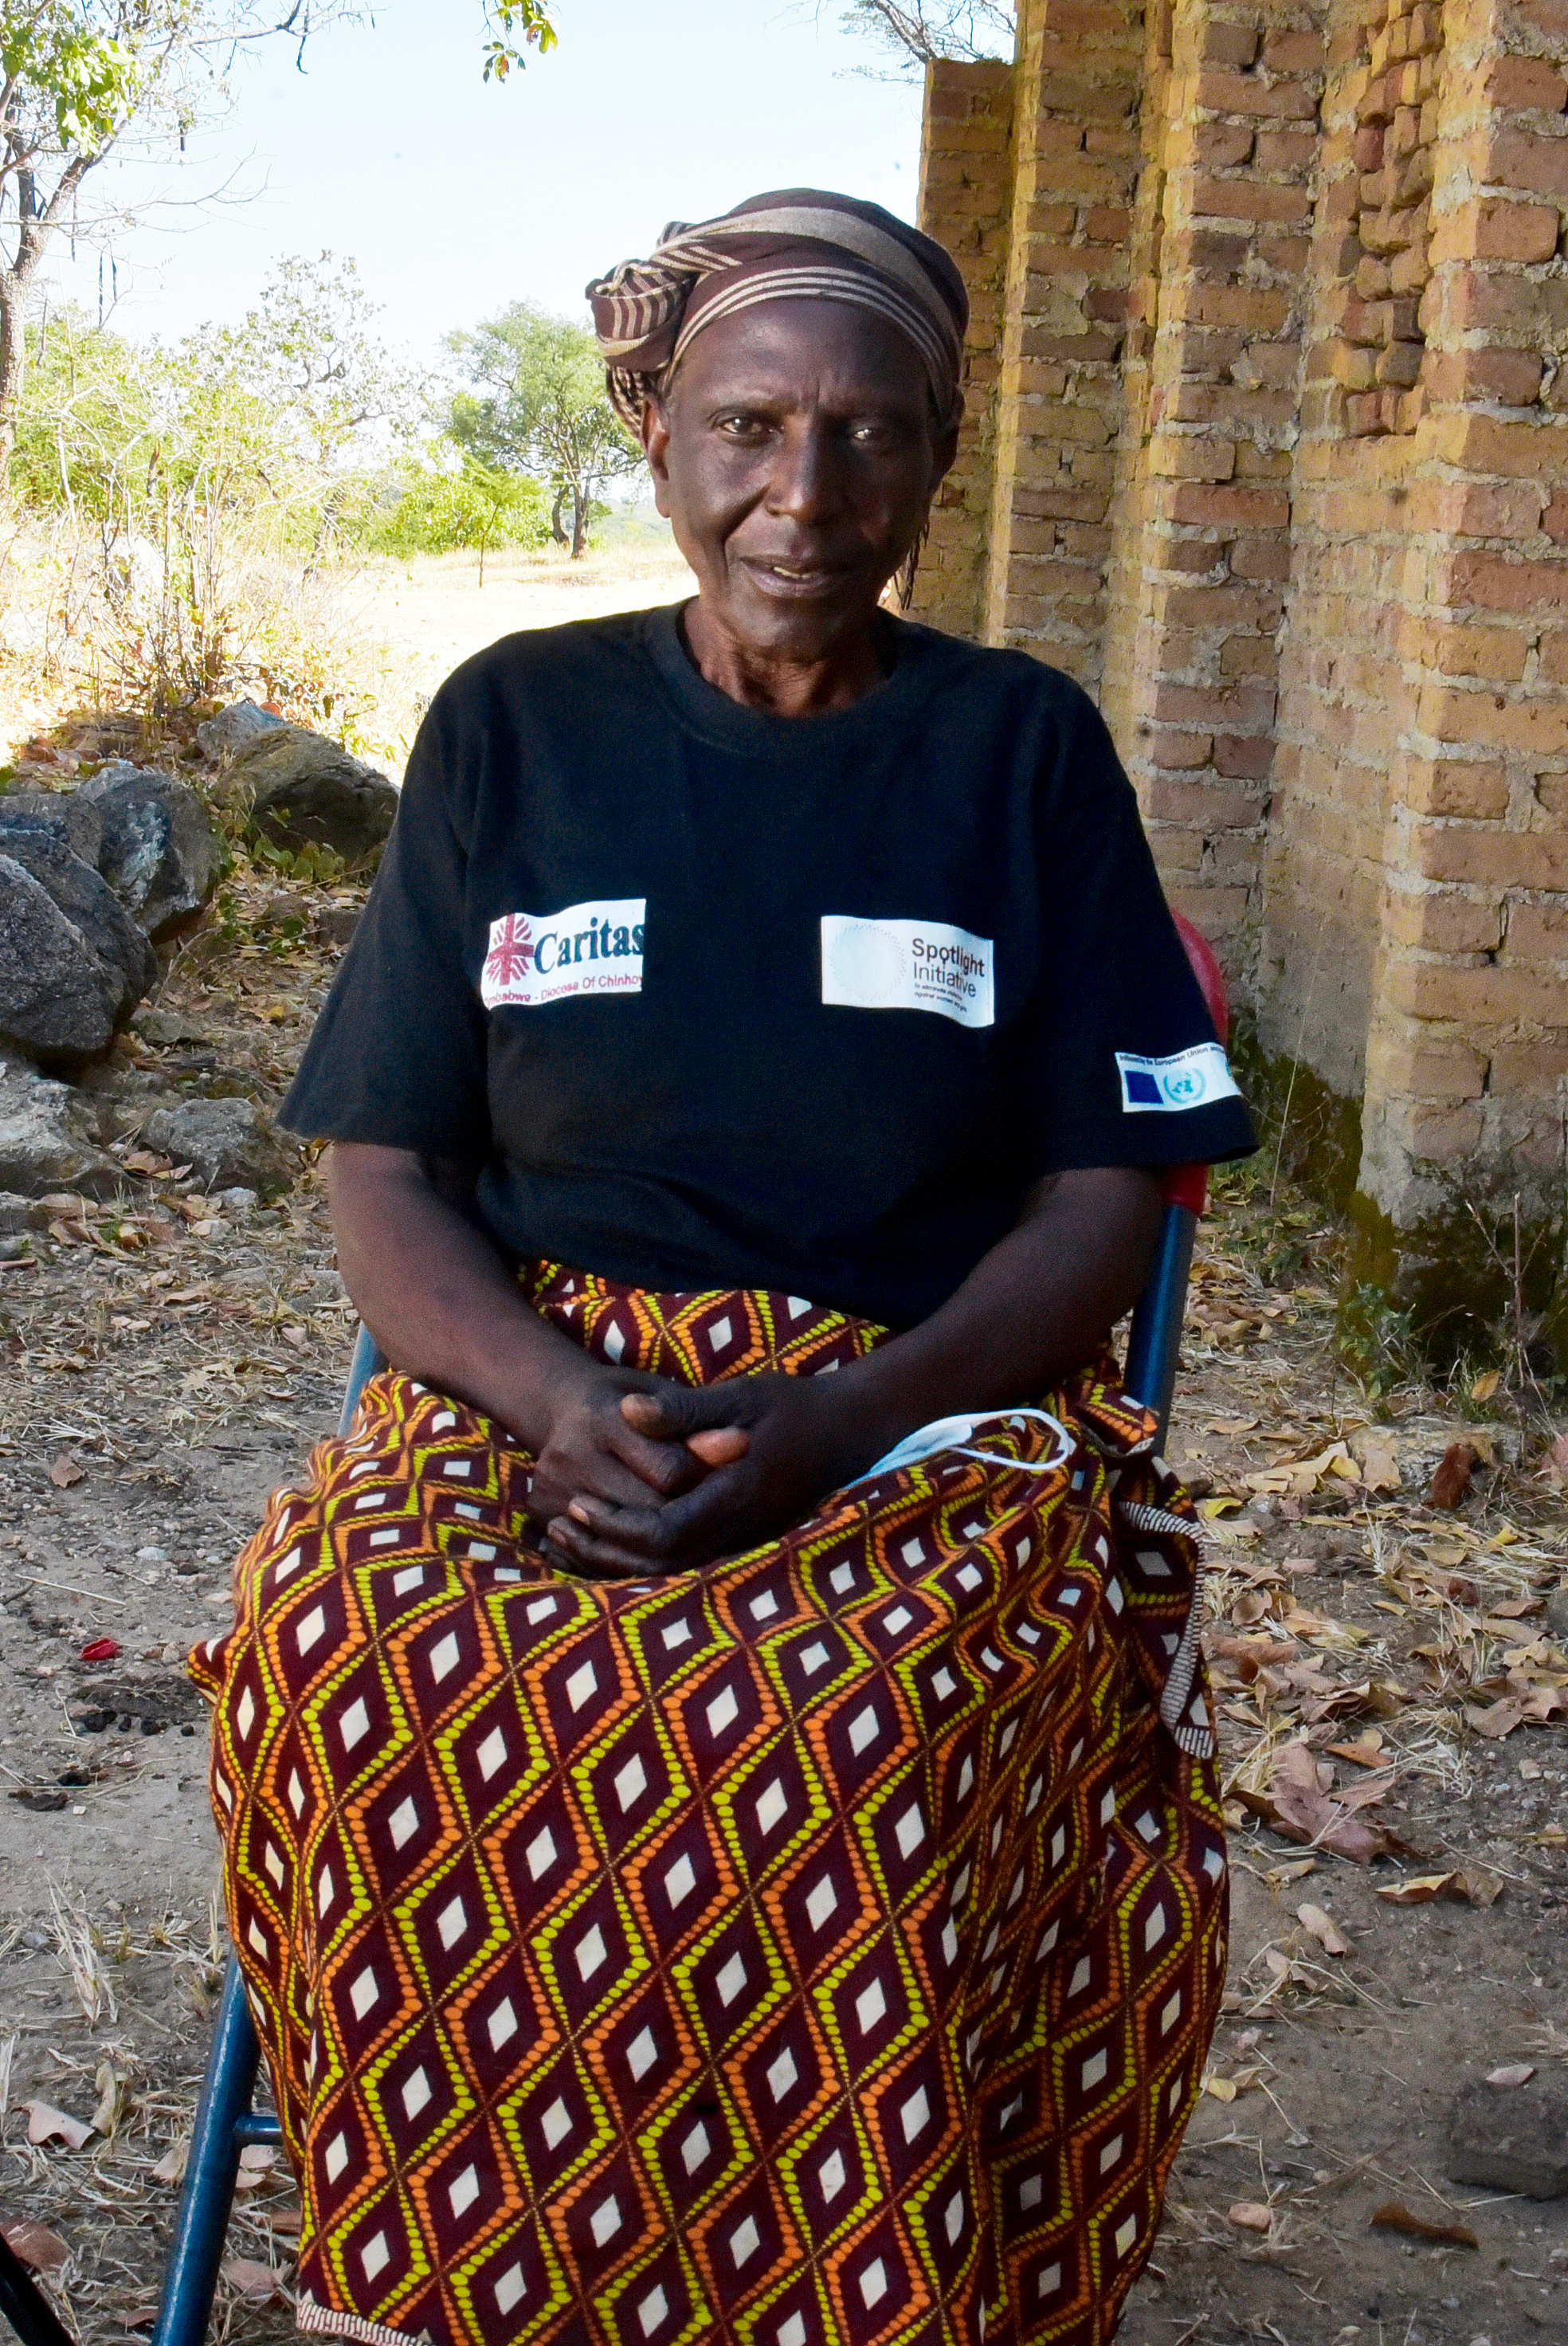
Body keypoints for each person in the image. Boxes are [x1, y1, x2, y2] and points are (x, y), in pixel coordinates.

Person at [191, 190, 1255, 2346]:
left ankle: (826, 2288)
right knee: (353, 1645)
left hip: (928, 1414)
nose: (805, 496)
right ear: (661, 432)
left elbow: (1099, 1197)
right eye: (752, 426)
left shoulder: (1019, 748)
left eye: (870, 436)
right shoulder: (515, 727)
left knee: (858, 1724)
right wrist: (559, 1405)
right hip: (538, 1386)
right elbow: (386, 1164)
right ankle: (457, 2275)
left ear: (937, 465)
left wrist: (847, 1423)